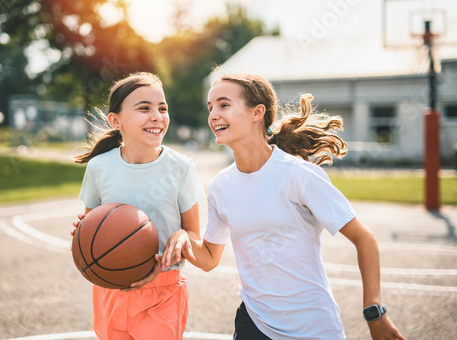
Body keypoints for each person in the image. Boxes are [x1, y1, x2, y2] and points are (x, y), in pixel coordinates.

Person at [162, 71, 406, 340]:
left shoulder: (297, 175)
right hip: (254, 325)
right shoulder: (222, 185)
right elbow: (209, 258)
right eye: (210, 108)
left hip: (314, 328)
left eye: (224, 104)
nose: (213, 115)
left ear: (258, 112)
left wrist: (375, 312)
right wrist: (183, 237)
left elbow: (364, 239)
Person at [71, 72, 205, 340]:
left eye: (162, 108)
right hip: (111, 286)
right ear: (115, 120)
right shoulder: (99, 167)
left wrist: (180, 238)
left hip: (163, 291)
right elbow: (91, 228)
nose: (156, 115)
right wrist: (83, 234)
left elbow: (193, 234)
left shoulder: (181, 168)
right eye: (144, 108)